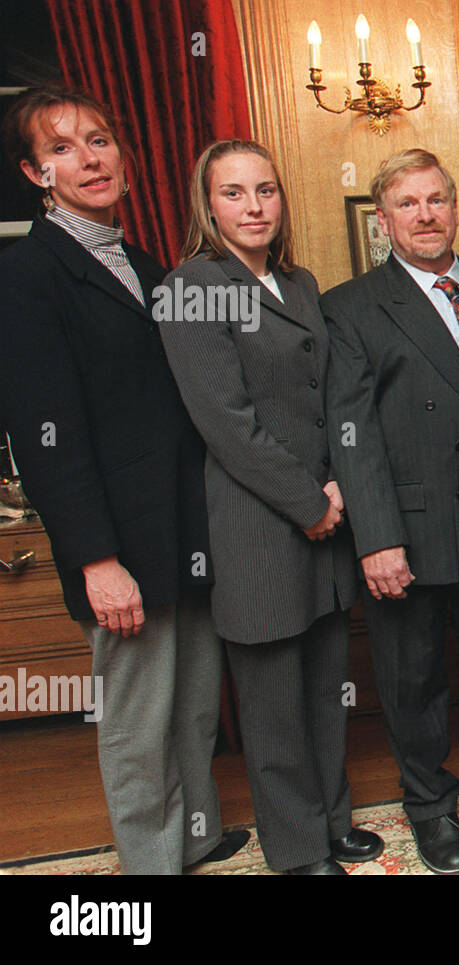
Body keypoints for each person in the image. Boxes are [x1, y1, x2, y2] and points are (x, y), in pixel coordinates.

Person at [0, 87, 245, 874]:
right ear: (37, 173)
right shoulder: (28, 274)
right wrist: (96, 560)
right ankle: (150, 866)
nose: (91, 158)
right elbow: (47, 439)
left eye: (100, 139)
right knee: (138, 722)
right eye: (64, 148)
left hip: (185, 531)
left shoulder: (141, 261)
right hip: (117, 545)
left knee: (194, 706)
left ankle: (198, 835)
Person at [320, 148, 459, 875]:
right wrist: (377, 537)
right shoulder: (351, 305)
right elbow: (348, 433)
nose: (426, 215)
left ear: (456, 208)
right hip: (408, 528)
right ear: (383, 221)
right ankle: (428, 805)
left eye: (437, 200)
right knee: (413, 678)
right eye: (408, 204)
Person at [158, 139, 381, 875]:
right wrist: (305, 501)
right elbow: (225, 422)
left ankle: (333, 822)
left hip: (323, 516)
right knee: (273, 703)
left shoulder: (299, 279)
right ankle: (296, 849)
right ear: (207, 203)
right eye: (234, 193)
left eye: (266, 190)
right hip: (259, 523)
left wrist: (340, 484)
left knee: (323, 686)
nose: (253, 207)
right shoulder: (194, 285)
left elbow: (323, 399)